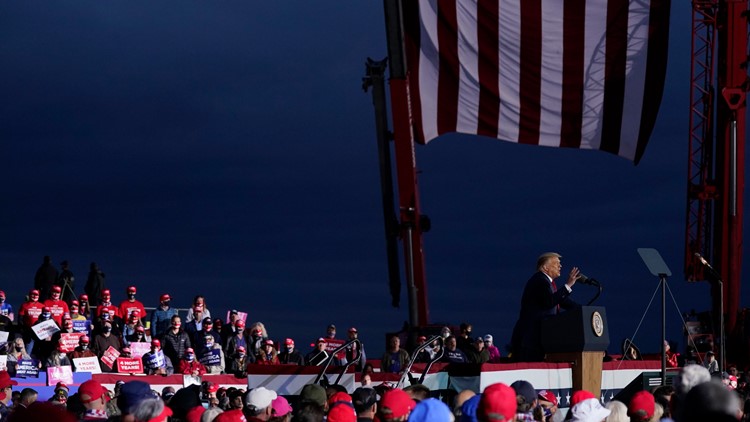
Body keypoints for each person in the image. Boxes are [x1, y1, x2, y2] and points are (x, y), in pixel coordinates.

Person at [510, 252, 581, 362]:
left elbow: (560, 300)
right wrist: (568, 285)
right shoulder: (539, 280)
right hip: (531, 341)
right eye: (556, 263)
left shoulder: (548, 283)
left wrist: (583, 310)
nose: (560, 266)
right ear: (545, 267)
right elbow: (549, 301)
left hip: (540, 340)